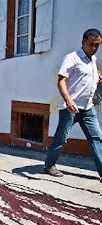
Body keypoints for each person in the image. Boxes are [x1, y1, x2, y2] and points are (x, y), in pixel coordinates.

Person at [44, 28, 102, 182]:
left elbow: (86, 78)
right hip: (70, 108)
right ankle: (49, 165)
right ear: (83, 42)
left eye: (98, 45)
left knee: (97, 138)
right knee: (61, 138)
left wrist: (97, 79)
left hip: (88, 107)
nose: (94, 48)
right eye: (91, 44)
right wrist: (68, 100)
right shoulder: (72, 58)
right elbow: (61, 80)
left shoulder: (93, 60)